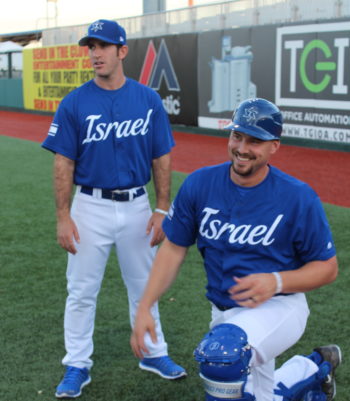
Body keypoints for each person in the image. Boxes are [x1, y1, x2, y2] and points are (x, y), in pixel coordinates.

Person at [130, 98, 341, 401]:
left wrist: (276, 281)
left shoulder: (297, 197)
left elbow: (327, 267)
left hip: (280, 306)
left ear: (274, 147)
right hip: (225, 313)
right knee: (257, 394)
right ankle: (316, 368)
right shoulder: (200, 184)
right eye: (237, 136)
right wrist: (145, 306)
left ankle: (311, 371)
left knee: (222, 358)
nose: (242, 148)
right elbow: (174, 249)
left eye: (255, 141)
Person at [42, 19, 186, 399]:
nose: (95, 53)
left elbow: (162, 156)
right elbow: (63, 163)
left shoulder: (147, 99)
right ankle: (76, 363)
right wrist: (62, 215)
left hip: (138, 204)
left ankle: (154, 353)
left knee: (144, 285)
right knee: (81, 290)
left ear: (122, 51)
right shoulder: (75, 102)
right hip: (89, 205)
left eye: (103, 46)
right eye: (91, 47)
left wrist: (162, 208)